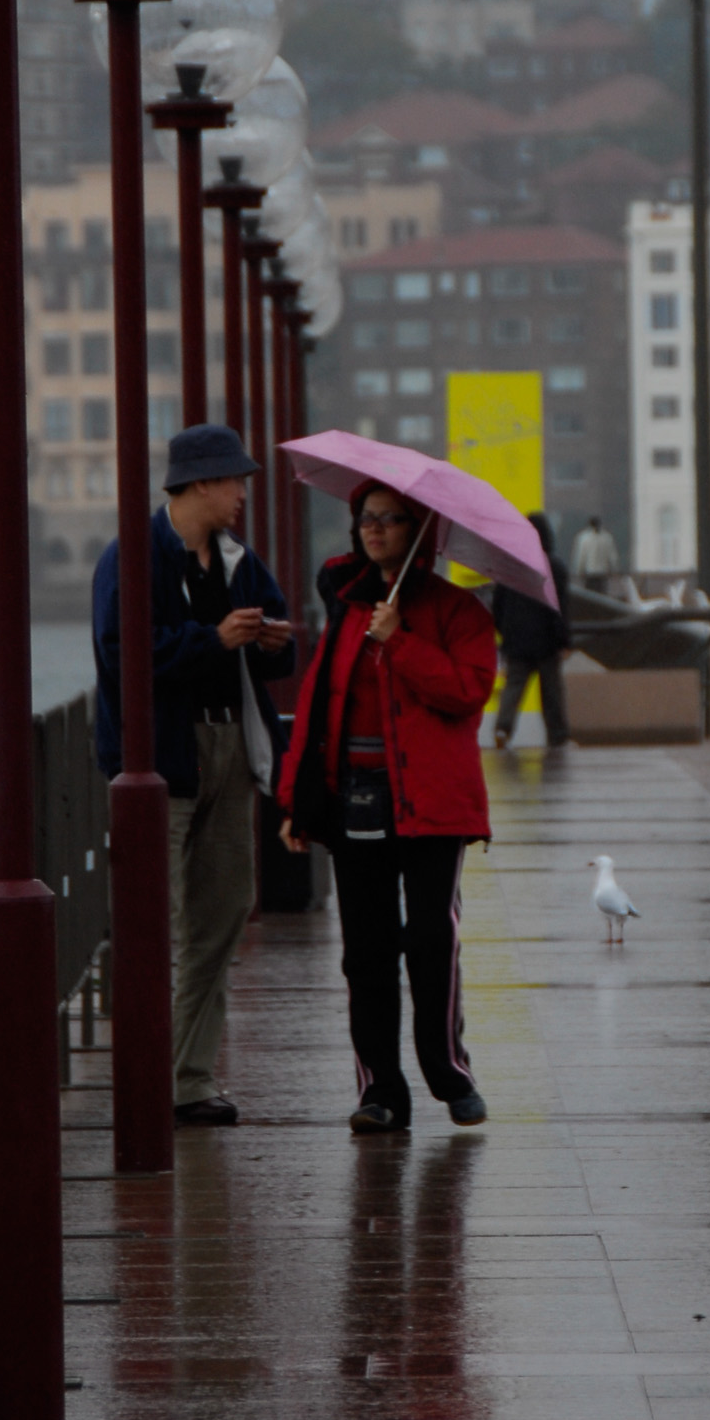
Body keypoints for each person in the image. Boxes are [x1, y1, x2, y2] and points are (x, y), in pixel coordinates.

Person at [278, 482, 496, 1136]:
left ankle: (448, 1072)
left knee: (431, 940)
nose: (374, 530)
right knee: (365, 949)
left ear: (417, 530)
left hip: (432, 806)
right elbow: (317, 708)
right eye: (365, 519)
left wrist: (400, 641)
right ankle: (379, 1089)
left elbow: (467, 692)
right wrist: (296, 801)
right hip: (357, 801)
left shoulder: (456, 612)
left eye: (390, 519)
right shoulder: (347, 609)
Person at [93, 423, 294, 1128]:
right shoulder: (132, 557)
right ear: (201, 483)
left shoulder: (239, 561)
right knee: (155, 919)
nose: (242, 494)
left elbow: (275, 650)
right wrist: (214, 639)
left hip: (230, 747)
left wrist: (270, 641)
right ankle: (146, 1075)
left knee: (223, 908)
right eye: (235, 481)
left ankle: (189, 1077)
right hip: (158, 760)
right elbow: (124, 656)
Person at [491, 511, 573, 750]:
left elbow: (498, 605)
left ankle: (502, 729)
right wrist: (565, 640)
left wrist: (505, 632)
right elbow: (561, 606)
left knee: (513, 688)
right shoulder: (554, 566)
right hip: (547, 641)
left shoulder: (509, 566)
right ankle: (557, 736)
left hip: (516, 640)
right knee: (551, 693)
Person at [569, 513, 618, 590]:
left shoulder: (583, 538)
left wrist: (579, 571)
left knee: (590, 597)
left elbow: (581, 557)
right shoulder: (607, 537)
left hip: (589, 573)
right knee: (602, 597)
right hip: (602, 574)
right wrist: (614, 570)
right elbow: (613, 557)